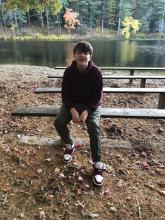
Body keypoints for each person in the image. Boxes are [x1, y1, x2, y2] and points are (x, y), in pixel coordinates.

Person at [54, 41, 104, 186]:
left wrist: (87, 111)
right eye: (79, 52)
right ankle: (70, 144)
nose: (82, 55)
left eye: (85, 52)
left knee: (94, 126)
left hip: (91, 105)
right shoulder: (69, 72)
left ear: (90, 56)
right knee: (59, 122)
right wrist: (72, 109)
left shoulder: (96, 72)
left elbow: (97, 96)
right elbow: (65, 94)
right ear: (74, 55)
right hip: (72, 103)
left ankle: (97, 162)